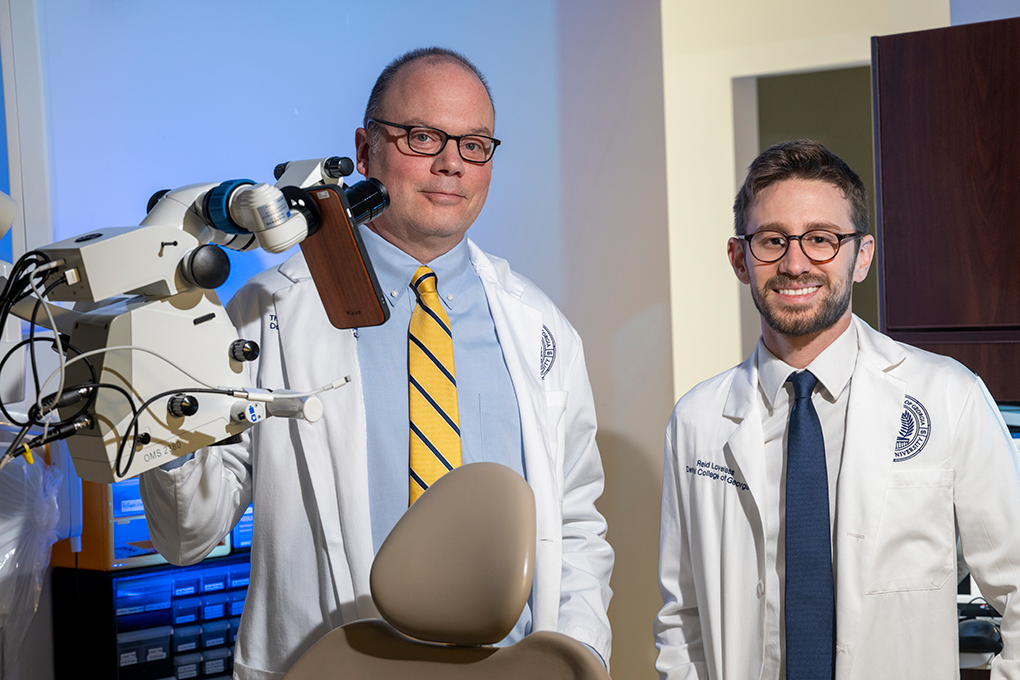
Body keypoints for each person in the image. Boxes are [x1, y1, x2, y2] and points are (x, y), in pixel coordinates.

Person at [140, 47, 613, 679]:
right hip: (333, 663)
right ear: (364, 151)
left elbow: (577, 524)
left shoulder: (540, 328)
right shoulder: (267, 313)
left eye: (474, 144)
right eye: (424, 137)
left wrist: (580, 656)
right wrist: (160, 407)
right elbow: (187, 533)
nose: (451, 163)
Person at [653, 139, 1020, 680]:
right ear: (739, 258)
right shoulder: (698, 421)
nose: (796, 263)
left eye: (822, 239)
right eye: (772, 240)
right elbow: (681, 621)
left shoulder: (950, 396)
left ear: (862, 256)